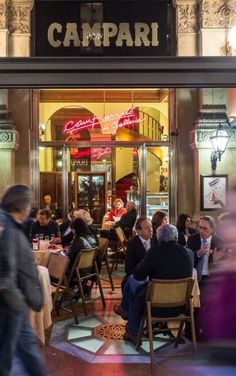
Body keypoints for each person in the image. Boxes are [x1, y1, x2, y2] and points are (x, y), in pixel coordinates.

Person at [0, 184, 49, 376]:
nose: (30, 209)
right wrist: (18, 302)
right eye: (28, 204)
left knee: (23, 351)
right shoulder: (8, 230)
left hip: (13, 303)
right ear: (21, 206)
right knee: (12, 354)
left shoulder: (10, 225)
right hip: (10, 305)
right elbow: (6, 274)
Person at [122, 224, 193, 345]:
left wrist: (143, 263)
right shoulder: (187, 253)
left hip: (156, 307)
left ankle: (132, 331)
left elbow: (139, 275)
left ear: (159, 238)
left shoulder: (154, 252)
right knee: (141, 290)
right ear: (176, 236)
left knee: (138, 293)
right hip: (180, 306)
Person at [113, 216, 153, 318]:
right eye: (147, 228)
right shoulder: (132, 244)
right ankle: (132, 314)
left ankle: (128, 311)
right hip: (139, 276)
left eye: (151, 226)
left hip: (155, 277)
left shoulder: (156, 241)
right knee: (128, 282)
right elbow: (129, 269)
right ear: (139, 231)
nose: (151, 230)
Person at [186, 215, 223, 283]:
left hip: (212, 279)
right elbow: (187, 257)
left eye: (205, 228)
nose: (201, 231)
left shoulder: (219, 243)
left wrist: (216, 261)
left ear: (212, 229)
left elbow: (224, 266)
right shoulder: (192, 239)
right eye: (200, 227)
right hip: (195, 278)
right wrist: (198, 253)